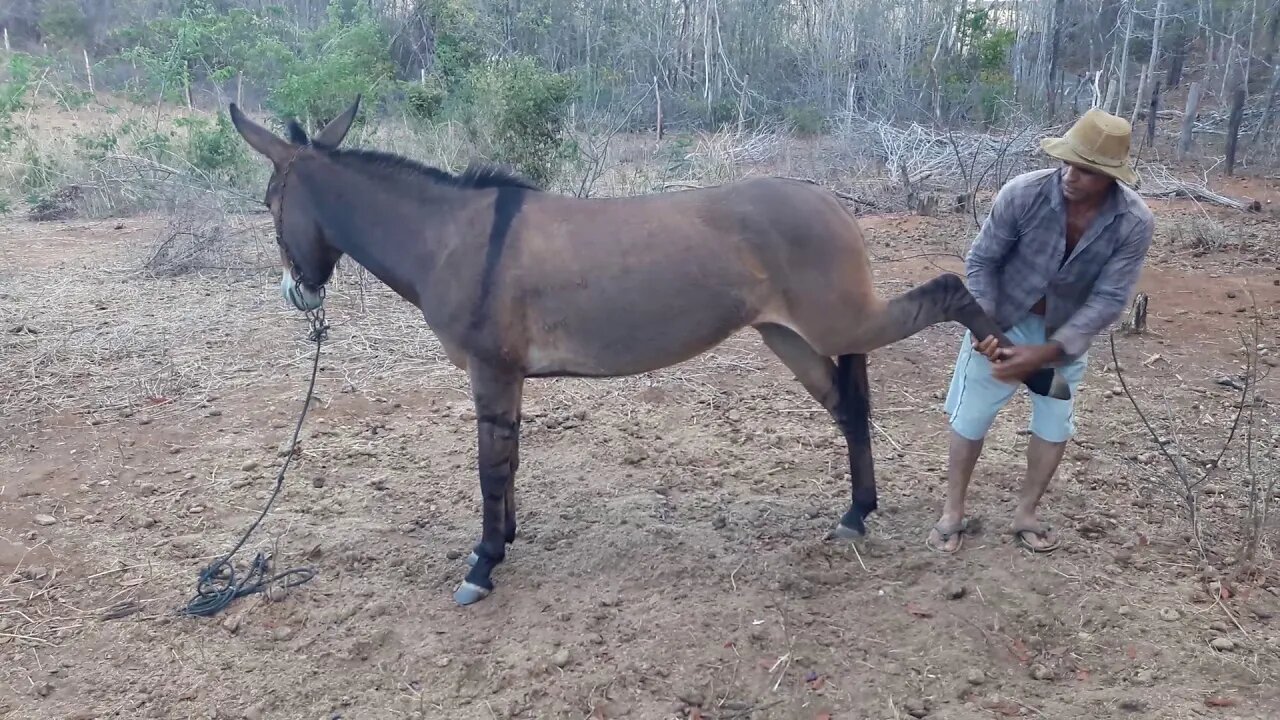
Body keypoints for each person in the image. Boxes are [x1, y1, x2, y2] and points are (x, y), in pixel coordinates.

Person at [926, 108, 1154, 554]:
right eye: (1068, 161)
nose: (1072, 175)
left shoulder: (1133, 222)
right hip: (1001, 323)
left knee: (1054, 422)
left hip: (1064, 338)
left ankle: (1026, 512)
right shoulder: (1023, 193)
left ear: (1111, 177)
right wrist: (984, 322)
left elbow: (1109, 298)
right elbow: (983, 261)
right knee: (971, 416)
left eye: (1087, 170)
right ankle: (952, 512)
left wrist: (1048, 352)